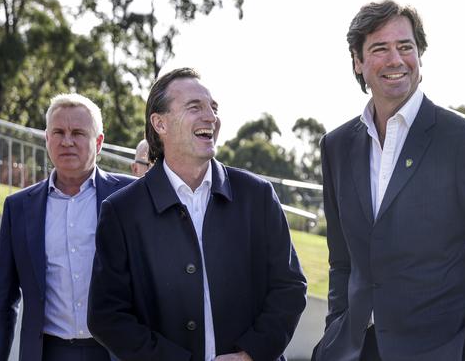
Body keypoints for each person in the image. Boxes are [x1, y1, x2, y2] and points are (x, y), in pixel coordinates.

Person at [313, 1, 465, 361]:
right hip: (354, 351)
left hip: (443, 351)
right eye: (379, 48)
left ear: (420, 55)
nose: (396, 59)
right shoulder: (336, 146)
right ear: (357, 61)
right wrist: (336, 329)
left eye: (405, 47)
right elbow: (342, 262)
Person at [87, 67, 307, 361]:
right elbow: (107, 315)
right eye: (195, 107)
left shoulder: (258, 196)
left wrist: (250, 355)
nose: (211, 117)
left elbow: (289, 287)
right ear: (160, 123)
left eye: (213, 108)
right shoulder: (122, 212)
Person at [0, 93, 135, 361]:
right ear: (46, 139)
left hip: (118, 352)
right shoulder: (18, 208)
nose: (67, 141)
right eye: (58, 132)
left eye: (77, 133)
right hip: (47, 353)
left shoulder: (131, 196)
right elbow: (2, 301)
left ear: (98, 142)